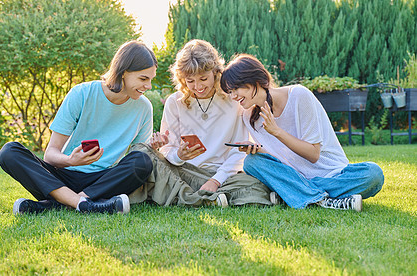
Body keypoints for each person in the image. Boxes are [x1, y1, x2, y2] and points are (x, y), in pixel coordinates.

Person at [0, 41, 157, 215]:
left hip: (103, 182)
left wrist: (156, 149)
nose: (148, 86)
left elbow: (137, 156)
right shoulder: (82, 93)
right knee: (9, 152)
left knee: (142, 161)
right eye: (143, 79)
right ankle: (85, 204)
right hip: (62, 177)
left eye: (151, 80)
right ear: (123, 72)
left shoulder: (144, 108)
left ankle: (60, 204)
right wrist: (71, 161)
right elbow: (50, 154)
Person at [220, 54, 384, 212]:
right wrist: (259, 150)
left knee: (373, 174)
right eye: (230, 91)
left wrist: (277, 132)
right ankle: (324, 200)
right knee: (251, 162)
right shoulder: (249, 117)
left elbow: (313, 154)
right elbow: (282, 162)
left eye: (235, 89)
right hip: (295, 178)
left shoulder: (298, 95)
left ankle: (296, 195)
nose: (233, 96)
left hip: (332, 176)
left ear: (254, 80)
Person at [129, 40, 271, 207]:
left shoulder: (235, 100)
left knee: (255, 183)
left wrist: (215, 181)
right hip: (185, 172)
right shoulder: (175, 102)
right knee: (141, 152)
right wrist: (179, 156)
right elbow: (168, 149)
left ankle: (190, 197)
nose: (198, 86)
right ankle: (213, 199)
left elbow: (239, 151)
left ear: (216, 72)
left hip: (224, 174)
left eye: (203, 78)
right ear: (182, 79)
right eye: (190, 81)